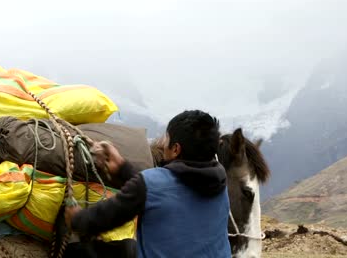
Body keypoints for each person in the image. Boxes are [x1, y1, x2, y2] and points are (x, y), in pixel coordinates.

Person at [65, 110, 230, 257]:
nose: (164, 143)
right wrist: (122, 168)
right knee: (129, 248)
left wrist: (77, 218)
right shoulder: (220, 186)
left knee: (77, 252)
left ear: (176, 149)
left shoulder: (151, 185)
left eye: (167, 139)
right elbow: (165, 191)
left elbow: (100, 220)